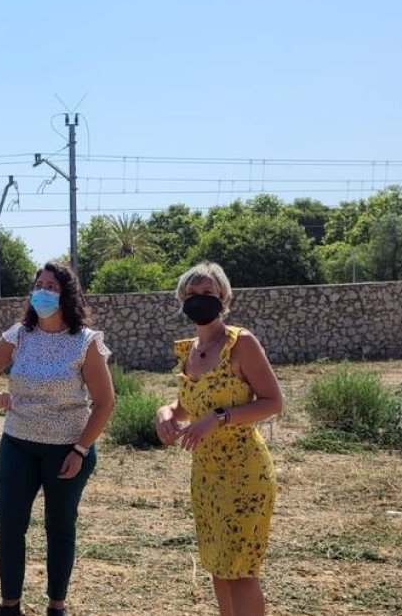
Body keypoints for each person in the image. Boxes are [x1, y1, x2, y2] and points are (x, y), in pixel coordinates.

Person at [0, 261, 116, 616]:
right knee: (10, 524)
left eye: (51, 286)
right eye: (38, 284)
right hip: (18, 444)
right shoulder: (19, 334)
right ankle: (9, 605)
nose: (42, 292)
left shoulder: (85, 342)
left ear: (66, 295)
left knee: (60, 525)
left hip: (67, 450)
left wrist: (81, 449)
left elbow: (105, 402)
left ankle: (56, 605)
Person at [155, 261, 282, 616]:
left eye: (208, 293)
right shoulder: (190, 352)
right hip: (206, 476)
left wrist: (220, 419)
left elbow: (273, 402)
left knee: (240, 571)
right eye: (192, 294)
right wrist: (165, 414)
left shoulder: (241, 344)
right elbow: (184, 407)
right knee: (218, 566)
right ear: (182, 300)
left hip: (245, 473)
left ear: (224, 299)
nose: (200, 300)